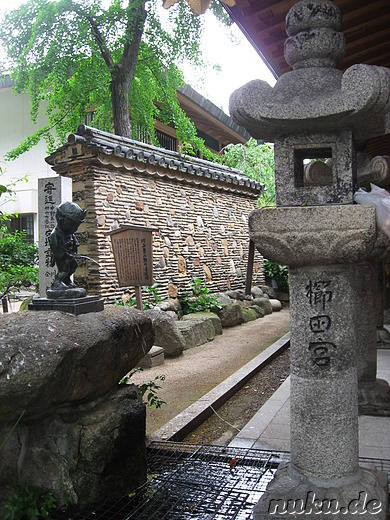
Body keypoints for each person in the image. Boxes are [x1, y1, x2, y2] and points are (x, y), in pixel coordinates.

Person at [48, 201, 87, 293]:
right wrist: (64, 254)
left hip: (69, 255)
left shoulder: (69, 234)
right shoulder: (55, 234)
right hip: (62, 257)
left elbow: (75, 243)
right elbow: (56, 248)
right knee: (64, 268)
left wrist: (74, 250)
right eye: (73, 226)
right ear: (62, 221)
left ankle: (67, 280)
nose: (75, 229)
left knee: (73, 266)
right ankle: (57, 282)